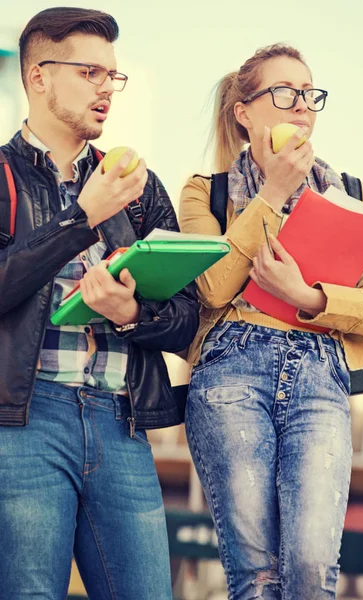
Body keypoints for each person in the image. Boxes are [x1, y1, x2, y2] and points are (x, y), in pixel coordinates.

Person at [179, 43, 363, 600]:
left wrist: (310, 296)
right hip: (231, 375)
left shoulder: (347, 194)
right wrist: (273, 191)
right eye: (283, 92)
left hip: (320, 374)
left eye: (308, 93)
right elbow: (212, 287)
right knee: (255, 577)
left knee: (311, 570)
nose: (301, 105)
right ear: (244, 111)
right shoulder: (208, 191)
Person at [0, 7, 199, 600]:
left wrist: (131, 314)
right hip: (24, 424)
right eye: (90, 72)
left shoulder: (141, 189)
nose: (106, 89)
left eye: (113, 76)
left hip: (123, 423)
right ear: (37, 76)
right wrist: (80, 219)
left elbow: (187, 319)